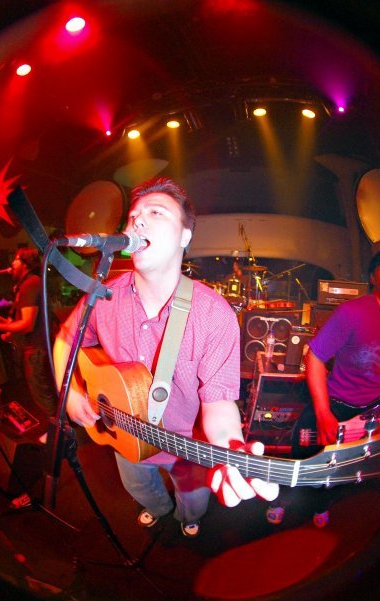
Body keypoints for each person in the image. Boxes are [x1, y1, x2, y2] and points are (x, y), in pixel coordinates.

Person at [53, 176, 278, 538]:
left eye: (156, 212)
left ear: (185, 236)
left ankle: (188, 520)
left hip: (186, 447)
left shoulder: (213, 314)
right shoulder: (103, 297)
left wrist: (232, 451)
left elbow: (220, 405)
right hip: (124, 436)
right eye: (133, 216)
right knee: (140, 489)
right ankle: (158, 509)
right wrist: (72, 393)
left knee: (194, 503)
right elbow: (65, 338)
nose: (138, 220)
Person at [266, 248, 380, 527]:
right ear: (372, 277)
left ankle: (321, 505)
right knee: (303, 458)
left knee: (341, 469)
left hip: (372, 412)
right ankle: (281, 499)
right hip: (335, 404)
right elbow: (315, 357)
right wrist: (322, 413)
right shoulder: (352, 312)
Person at [0, 247, 58, 422]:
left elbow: (27, 324)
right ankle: (57, 425)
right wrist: (5, 327)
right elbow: (20, 321)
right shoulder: (26, 284)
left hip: (36, 348)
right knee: (40, 391)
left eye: (15, 259)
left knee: (41, 392)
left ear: (25, 262)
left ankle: (59, 428)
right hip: (33, 348)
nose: (12, 263)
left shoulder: (31, 283)